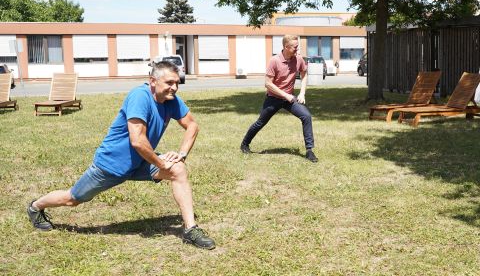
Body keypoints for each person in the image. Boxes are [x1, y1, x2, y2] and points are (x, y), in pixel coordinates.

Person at [27, 61, 215, 250]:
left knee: (179, 170)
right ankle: (36, 207)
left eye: (177, 83)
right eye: (169, 83)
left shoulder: (171, 100)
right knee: (72, 199)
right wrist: (161, 163)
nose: (174, 88)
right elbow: (138, 141)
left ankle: (190, 229)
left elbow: (192, 125)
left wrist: (181, 155)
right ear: (152, 81)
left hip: (142, 161)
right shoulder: (139, 97)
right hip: (111, 165)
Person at [240, 35, 318, 163]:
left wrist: (302, 93)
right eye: (295, 47)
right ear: (286, 47)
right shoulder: (274, 61)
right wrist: (285, 94)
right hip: (273, 98)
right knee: (261, 122)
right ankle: (244, 144)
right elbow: (268, 83)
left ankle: (309, 150)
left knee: (306, 116)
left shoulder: (298, 59)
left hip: (289, 99)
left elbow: (304, 74)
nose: (297, 49)